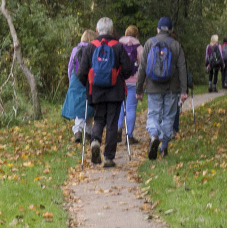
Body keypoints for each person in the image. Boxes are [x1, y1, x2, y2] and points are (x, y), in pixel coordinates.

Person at [76, 18, 133, 168]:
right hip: (115, 91)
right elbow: (128, 70)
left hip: (96, 91)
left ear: (97, 30)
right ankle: (108, 157)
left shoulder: (90, 47)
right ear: (112, 31)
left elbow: (81, 73)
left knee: (99, 118)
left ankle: (95, 141)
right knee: (112, 123)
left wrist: (89, 84)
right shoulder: (118, 47)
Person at [135, 17, 189, 159]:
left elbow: (142, 68)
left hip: (153, 87)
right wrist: (184, 90)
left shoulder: (149, 43)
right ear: (171, 31)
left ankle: (154, 136)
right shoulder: (176, 45)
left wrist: (139, 89)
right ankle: (163, 147)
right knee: (168, 117)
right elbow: (182, 68)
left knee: (153, 114)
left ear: (157, 29)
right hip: (171, 88)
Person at [61, 29, 97, 143]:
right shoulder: (94, 49)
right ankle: (88, 132)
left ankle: (77, 130)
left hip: (76, 80)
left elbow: (70, 67)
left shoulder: (75, 49)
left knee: (78, 106)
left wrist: (71, 79)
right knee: (90, 105)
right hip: (90, 80)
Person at [118, 25, 143, 145]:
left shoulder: (118, 45)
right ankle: (129, 136)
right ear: (136, 35)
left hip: (120, 80)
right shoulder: (139, 47)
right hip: (134, 81)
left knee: (119, 106)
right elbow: (144, 65)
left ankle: (118, 129)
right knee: (131, 108)